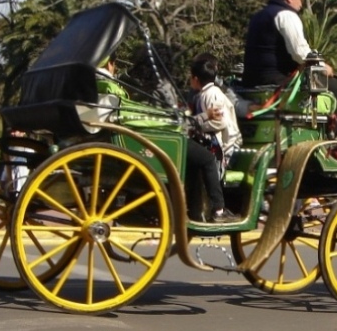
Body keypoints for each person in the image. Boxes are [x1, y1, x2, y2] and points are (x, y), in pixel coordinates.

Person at [97, 53, 238, 223]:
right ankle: (218, 209)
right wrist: (203, 117)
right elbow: (177, 120)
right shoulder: (162, 87)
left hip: (138, 132)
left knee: (195, 159)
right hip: (162, 134)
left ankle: (195, 211)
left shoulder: (132, 84)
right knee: (207, 159)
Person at [242, 0, 337, 97]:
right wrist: (322, 66)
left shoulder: (258, 16)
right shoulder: (286, 15)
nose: (301, 4)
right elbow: (300, 53)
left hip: (250, 81)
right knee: (332, 86)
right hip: (275, 81)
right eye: (300, 0)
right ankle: (336, 116)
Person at [189, 56, 243, 175]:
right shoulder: (203, 94)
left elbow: (220, 122)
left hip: (225, 147)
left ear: (196, 79)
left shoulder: (212, 94)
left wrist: (197, 127)